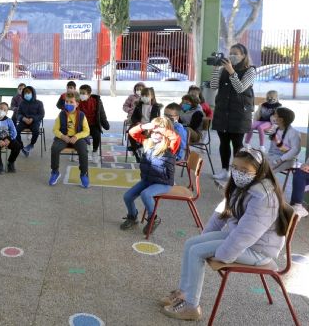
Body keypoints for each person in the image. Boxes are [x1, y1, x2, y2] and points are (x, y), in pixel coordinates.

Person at [160, 148, 293, 321]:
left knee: (196, 252)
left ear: (259, 171)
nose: (238, 173)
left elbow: (247, 234)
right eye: (235, 168)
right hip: (243, 240)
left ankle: (191, 306)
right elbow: (222, 213)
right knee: (191, 244)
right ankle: (184, 294)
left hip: (258, 250)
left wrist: (223, 255)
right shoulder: (243, 185)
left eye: (244, 170)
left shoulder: (263, 197)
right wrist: (203, 237)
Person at [120, 117, 180, 235]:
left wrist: (160, 129)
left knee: (146, 194)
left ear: (166, 132)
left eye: (158, 132)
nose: (154, 134)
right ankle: (132, 217)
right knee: (127, 196)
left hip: (163, 182)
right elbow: (132, 132)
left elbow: (175, 137)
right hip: (148, 180)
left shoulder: (170, 147)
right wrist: (144, 127)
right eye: (153, 132)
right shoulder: (148, 142)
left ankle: (153, 219)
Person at [211, 43, 256, 182]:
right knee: (223, 143)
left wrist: (231, 72)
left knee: (237, 144)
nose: (232, 55)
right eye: (231, 52)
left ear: (243, 55)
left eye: (236, 53)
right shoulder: (224, 69)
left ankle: (237, 172)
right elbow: (213, 86)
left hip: (239, 114)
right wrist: (215, 70)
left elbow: (240, 88)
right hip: (222, 111)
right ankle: (224, 170)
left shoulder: (250, 70)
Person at [49, 92, 90, 188]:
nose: (68, 104)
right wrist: (63, 136)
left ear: (77, 104)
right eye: (67, 102)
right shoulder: (61, 114)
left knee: (83, 151)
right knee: (54, 148)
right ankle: (55, 172)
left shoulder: (81, 115)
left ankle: (83, 173)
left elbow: (86, 131)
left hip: (77, 138)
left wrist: (76, 136)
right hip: (64, 137)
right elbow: (55, 129)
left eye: (71, 102)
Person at [77, 84, 110, 161]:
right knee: (81, 136)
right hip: (82, 125)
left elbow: (101, 113)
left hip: (93, 124)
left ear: (89, 94)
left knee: (97, 135)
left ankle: (95, 151)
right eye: (80, 93)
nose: (81, 95)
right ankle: (84, 151)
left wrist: (105, 123)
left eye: (83, 93)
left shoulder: (96, 101)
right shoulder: (77, 101)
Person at [128, 87, 161, 161]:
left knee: (149, 136)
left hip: (150, 126)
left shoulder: (156, 107)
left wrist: (149, 126)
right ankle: (136, 150)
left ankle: (143, 149)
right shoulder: (138, 106)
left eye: (146, 96)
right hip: (139, 125)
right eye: (142, 95)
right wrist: (137, 123)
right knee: (131, 132)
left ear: (152, 96)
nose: (144, 97)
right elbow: (133, 117)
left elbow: (157, 120)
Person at [0, 102, 22, 174]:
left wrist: (9, 139)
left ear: (6, 112)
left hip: (7, 138)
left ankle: (11, 162)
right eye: (0, 108)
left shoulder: (9, 120)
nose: (2, 110)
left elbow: (14, 132)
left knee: (17, 146)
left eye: (4, 110)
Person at [266, 107, 301, 174]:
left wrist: (281, 159)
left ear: (281, 119)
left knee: (265, 171)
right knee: (255, 161)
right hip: (273, 156)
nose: (272, 116)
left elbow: (295, 151)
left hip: (287, 160)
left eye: (275, 115)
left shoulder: (294, 133)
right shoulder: (275, 128)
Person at [16, 86, 45, 157]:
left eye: (28, 93)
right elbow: (18, 114)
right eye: (25, 93)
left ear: (33, 93)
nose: (27, 94)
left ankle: (31, 145)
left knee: (36, 131)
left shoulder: (39, 103)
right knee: (15, 131)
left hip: (34, 121)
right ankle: (22, 147)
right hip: (24, 121)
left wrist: (33, 119)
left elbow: (41, 114)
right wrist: (23, 118)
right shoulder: (22, 103)